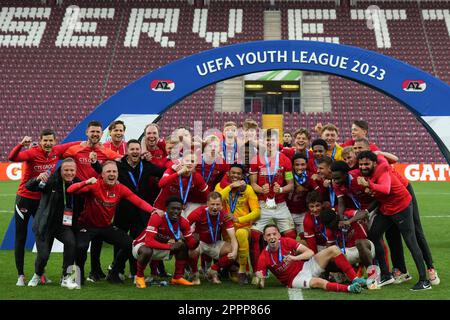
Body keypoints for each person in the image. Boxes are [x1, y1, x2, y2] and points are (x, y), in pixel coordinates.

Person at [67, 161, 161, 285]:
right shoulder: (94, 185)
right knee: (81, 247)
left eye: (114, 171)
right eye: (108, 171)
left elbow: (138, 201)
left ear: (117, 174)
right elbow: (70, 190)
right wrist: (86, 182)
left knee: (130, 245)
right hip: (87, 226)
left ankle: (114, 272)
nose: (112, 174)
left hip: (106, 227)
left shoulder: (120, 188)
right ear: (102, 174)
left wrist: (153, 210)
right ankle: (78, 277)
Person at [8, 129, 80, 286]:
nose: (48, 143)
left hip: (43, 201)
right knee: (20, 237)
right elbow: (12, 157)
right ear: (40, 141)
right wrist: (21, 144)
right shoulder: (32, 153)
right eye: (45, 140)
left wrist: (91, 144)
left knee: (44, 235)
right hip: (25, 199)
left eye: (50, 140)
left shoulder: (57, 151)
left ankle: (40, 273)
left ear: (55, 141)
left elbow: (76, 143)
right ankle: (20, 275)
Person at [90, 139, 165, 282]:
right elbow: (103, 171)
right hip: (122, 210)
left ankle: (134, 271)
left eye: (137, 149)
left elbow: (162, 171)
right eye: (132, 149)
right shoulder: (119, 165)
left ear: (140, 151)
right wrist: (94, 163)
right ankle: (118, 270)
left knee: (137, 242)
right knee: (120, 242)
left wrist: (176, 167)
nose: (135, 152)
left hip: (141, 211)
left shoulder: (146, 165)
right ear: (127, 151)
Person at [357, 151, 431, 291]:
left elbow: (385, 189)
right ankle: (386, 274)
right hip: (387, 209)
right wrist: (366, 211)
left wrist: (368, 185)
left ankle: (424, 280)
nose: (363, 167)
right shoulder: (369, 174)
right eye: (360, 164)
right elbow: (380, 196)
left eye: (366, 164)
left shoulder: (382, 170)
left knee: (410, 241)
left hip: (401, 207)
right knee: (373, 235)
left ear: (374, 163)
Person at [63, 120, 122, 282]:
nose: (95, 134)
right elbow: (60, 158)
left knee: (97, 235)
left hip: (96, 199)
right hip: (77, 197)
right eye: (92, 131)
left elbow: (122, 161)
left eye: (98, 132)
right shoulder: (75, 149)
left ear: (102, 134)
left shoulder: (106, 152)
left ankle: (94, 271)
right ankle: (72, 274)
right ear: (86, 132)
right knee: (75, 238)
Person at [254, 224, 366, 293]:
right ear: (264, 238)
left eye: (274, 234)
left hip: (307, 266)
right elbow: (261, 283)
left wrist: (294, 258)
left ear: (279, 235)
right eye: (268, 235)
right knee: (319, 282)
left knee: (334, 249)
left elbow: (310, 252)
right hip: (294, 280)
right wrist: (260, 280)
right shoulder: (263, 257)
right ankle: (350, 289)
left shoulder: (286, 241)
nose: (272, 237)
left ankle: (355, 279)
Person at [25, 158, 81, 289]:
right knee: (43, 255)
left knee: (71, 244)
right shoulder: (50, 181)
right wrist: (37, 179)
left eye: (72, 170)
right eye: (66, 170)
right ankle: (38, 274)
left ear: (76, 171)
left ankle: (65, 277)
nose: (69, 173)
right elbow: (29, 186)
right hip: (44, 225)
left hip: (62, 226)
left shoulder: (77, 182)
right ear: (60, 170)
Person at [249, 129, 296, 283]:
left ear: (277, 142)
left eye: (272, 140)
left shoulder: (285, 160)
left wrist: (281, 189)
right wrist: (260, 189)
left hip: (280, 204)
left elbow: (290, 185)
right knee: (254, 235)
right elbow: (253, 183)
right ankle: (258, 272)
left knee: (290, 235)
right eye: (267, 140)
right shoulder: (256, 159)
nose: (269, 143)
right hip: (262, 204)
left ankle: (291, 268)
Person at [132, 196, 198, 288]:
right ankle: (139, 277)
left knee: (183, 246)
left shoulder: (183, 222)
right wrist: (170, 247)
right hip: (141, 246)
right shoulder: (157, 217)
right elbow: (149, 241)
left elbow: (190, 244)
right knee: (147, 250)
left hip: (162, 247)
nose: (176, 211)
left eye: (178, 209)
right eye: (173, 208)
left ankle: (177, 277)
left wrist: (196, 241)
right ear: (166, 209)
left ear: (182, 209)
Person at [215, 164, 261, 284]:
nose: (235, 175)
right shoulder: (220, 187)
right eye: (233, 173)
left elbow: (257, 212)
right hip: (227, 229)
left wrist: (238, 219)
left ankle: (242, 271)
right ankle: (227, 269)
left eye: (238, 174)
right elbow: (216, 200)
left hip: (243, 227)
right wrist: (230, 186)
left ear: (242, 176)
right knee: (230, 249)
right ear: (228, 174)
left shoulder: (248, 189)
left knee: (240, 234)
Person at [187, 192, 239, 285]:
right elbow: (185, 227)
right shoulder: (199, 212)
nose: (215, 207)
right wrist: (190, 239)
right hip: (200, 242)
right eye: (212, 204)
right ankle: (194, 273)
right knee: (191, 249)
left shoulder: (224, 215)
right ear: (207, 204)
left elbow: (233, 238)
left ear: (221, 205)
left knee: (232, 250)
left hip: (214, 243)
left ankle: (213, 270)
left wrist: (234, 252)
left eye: (217, 204)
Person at [286, 152, 319, 238]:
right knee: (289, 236)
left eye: (303, 164)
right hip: (287, 212)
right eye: (297, 165)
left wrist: (305, 189)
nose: (300, 167)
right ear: (292, 165)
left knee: (305, 237)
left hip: (303, 212)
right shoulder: (288, 174)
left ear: (306, 164)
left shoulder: (310, 176)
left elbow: (318, 192)